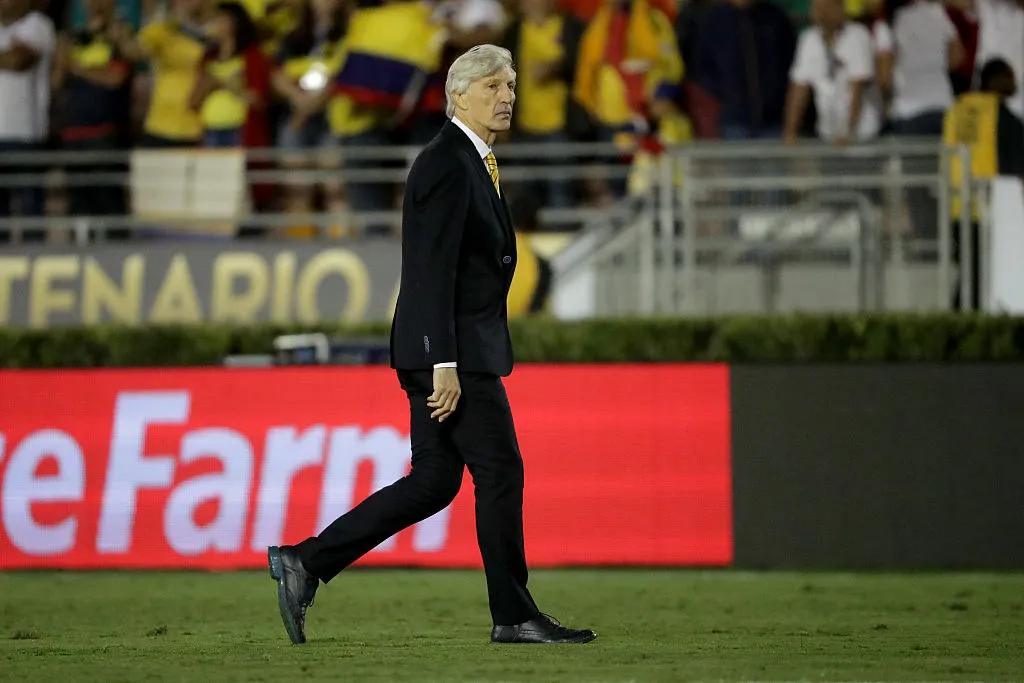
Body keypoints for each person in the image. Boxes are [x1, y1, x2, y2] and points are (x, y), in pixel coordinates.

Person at [268, 44, 597, 647]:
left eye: (512, 86)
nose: (508, 97)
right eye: (495, 86)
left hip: (449, 351)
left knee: (435, 481)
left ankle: (306, 562)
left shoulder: (471, 161)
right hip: (453, 356)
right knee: (500, 471)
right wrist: (442, 359)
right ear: (459, 94)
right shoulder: (447, 162)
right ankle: (514, 614)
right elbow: (429, 270)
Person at [943, 58, 1024, 310]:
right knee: (982, 279)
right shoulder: (1005, 119)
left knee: (969, 276)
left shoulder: (957, 110)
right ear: (996, 80)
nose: (1015, 82)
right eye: (1009, 76)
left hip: (955, 207)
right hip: (988, 209)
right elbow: (1016, 168)